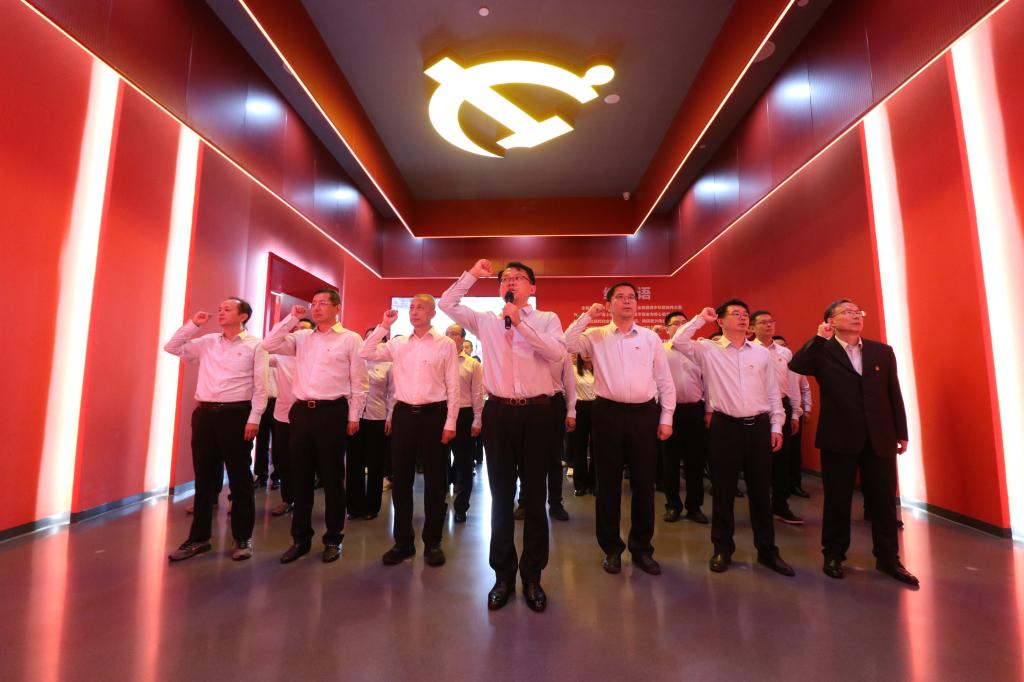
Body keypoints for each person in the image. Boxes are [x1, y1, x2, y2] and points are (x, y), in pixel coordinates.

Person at [439, 259, 565, 612]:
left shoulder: (547, 319)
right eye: (505, 278)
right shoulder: (486, 321)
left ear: (532, 288)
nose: (511, 281)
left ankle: (533, 576)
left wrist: (521, 323)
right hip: (499, 413)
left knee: (535, 496)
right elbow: (446, 303)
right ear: (499, 288)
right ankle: (503, 576)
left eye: (519, 278)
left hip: (538, 412)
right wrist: (472, 275)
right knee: (501, 497)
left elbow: (557, 352)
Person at [789, 299, 918, 586]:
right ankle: (834, 555)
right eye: (847, 312)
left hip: (879, 437)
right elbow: (797, 365)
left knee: (884, 501)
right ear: (830, 321)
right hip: (839, 437)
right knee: (838, 500)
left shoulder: (881, 351)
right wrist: (819, 338)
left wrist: (901, 431)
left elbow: (893, 392)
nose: (856, 316)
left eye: (858, 311)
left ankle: (888, 559)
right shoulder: (823, 351)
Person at [671, 300, 794, 577]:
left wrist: (777, 425)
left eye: (745, 314)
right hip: (725, 427)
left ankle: (767, 550)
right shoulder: (708, 349)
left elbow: (772, 391)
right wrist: (700, 318)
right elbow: (678, 341)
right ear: (721, 321)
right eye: (735, 314)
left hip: (759, 426)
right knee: (723, 491)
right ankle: (722, 548)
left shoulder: (761, 353)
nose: (742, 318)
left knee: (761, 491)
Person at [566, 283, 675, 576]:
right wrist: (588, 316)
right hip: (607, 413)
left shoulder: (650, 338)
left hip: (644, 413)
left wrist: (666, 417)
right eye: (620, 297)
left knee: (644, 484)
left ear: (637, 304)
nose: (627, 301)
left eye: (631, 297)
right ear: (609, 304)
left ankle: (642, 548)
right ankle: (611, 549)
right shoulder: (596, 335)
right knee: (607, 484)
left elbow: (664, 380)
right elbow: (566, 344)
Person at [263, 289, 366, 564]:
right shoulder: (301, 337)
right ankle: (300, 539)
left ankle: (333, 538)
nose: (316, 307)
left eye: (323, 303)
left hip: (332, 411)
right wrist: (290, 319)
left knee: (333, 478)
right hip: (301, 411)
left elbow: (360, 382)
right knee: (301, 477)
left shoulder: (350, 339)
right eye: (314, 303)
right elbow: (268, 344)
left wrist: (354, 416)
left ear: (337, 308)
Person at [165, 298, 268, 562]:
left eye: (227, 309)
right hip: (205, 415)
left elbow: (261, 386)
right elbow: (172, 347)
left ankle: (242, 537)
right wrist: (193, 325)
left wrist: (255, 418)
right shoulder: (207, 341)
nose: (221, 312)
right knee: (204, 479)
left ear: (243, 316)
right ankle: (199, 538)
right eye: (219, 309)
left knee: (240, 478)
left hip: (236, 415)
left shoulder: (255, 345)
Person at [361, 295, 459, 567]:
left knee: (435, 482)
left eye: (421, 307)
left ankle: (433, 542)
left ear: (433, 313)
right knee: (401, 480)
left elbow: (453, 386)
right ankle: (403, 542)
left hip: (434, 415)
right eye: (412, 307)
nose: (414, 312)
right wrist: (383, 326)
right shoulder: (398, 343)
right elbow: (365, 352)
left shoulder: (445, 344)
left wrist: (451, 421)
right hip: (403, 414)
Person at [750, 311, 804, 525]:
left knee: (782, 461)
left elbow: (793, 384)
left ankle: (781, 506)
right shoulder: (748, 350)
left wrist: (796, 411)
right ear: (752, 328)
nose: (769, 325)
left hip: (782, 406)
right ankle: (760, 509)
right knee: (759, 463)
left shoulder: (785, 352)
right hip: (757, 409)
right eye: (763, 322)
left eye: (771, 321)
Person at [658, 311, 709, 525]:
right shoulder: (660, 351)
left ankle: (694, 506)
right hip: (669, 412)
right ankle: (673, 505)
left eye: (683, 322)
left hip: (696, 410)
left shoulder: (699, 350)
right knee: (669, 461)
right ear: (666, 328)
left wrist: (709, 410)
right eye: (675, 323)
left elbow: (709, 382)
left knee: (695, 462)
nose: (680, 326)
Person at [347, 327, 394, 521]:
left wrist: (390, 417)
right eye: (368, 338)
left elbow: (392, 393)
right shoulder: (355, 361)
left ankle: (372, 506)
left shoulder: (389, 364)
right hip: (354, 417)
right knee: (354, 463)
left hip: (378, 417)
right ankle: (353, 506)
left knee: (375, 464)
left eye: (377, 338)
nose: (371, 341)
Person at [268, 317, 314, 517]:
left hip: (308, 415)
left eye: (303, 329)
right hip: (282, 414)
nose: (297, 332)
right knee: (284, 459)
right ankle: (288, 499)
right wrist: (287, 323)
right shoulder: (280, 355)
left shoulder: (314, 356)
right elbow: (265, 347)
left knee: (305, 460)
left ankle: (304, 500)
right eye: (295, 329)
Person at [445, 324, 483, 523]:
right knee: (438, 463)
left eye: (454, 334)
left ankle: (461, 506)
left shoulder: (472, 364)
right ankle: (438, 505)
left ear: (462, 338)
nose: (450, 336)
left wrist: (478, 419)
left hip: (464, 414)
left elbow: (477, 394)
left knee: (464, 463)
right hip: (440, 413)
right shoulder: (439, 360)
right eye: (447, 333)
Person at [774, 335, 812, 498]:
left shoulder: (796, 366)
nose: (781, 349)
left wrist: (806, 409)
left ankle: (795, 484)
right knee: (778, 453)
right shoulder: (770, 366)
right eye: (778, 346)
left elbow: (805, 388)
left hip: (794, 412)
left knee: (794, 452)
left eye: (784, 346)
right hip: (775, 411)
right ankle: (776, 486)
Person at [568, 353, 596, 495]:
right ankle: (580, 484)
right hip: (579, 407)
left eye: (589, 351)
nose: (587, 354)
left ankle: (594, 484)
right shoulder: (573, 370)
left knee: (597, 447)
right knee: (579, 447)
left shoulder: (600, 370)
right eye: (584, 351)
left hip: (597, 407)